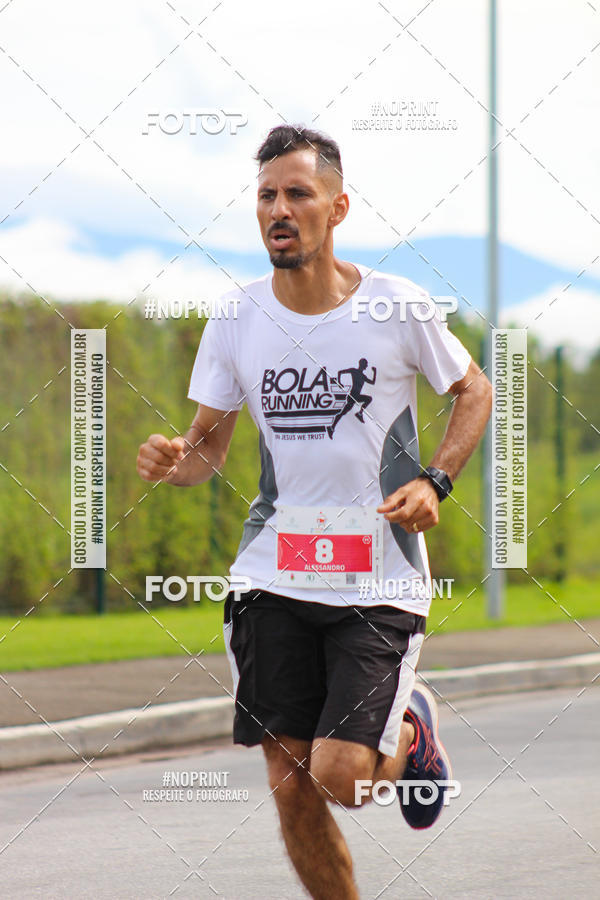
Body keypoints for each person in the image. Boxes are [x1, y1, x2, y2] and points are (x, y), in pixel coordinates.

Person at [137, 124, 492, 899]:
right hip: (273, 575)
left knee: (341, 778)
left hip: (378, 578)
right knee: (290, 779)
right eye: (267, 195)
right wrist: (174, 459)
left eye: (298, 193)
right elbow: (206, 451)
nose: (280, 209)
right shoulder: (236, 317)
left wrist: (435, 480)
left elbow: (474, 389)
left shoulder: (397, 306)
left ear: (338, 208)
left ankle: (409, 730)